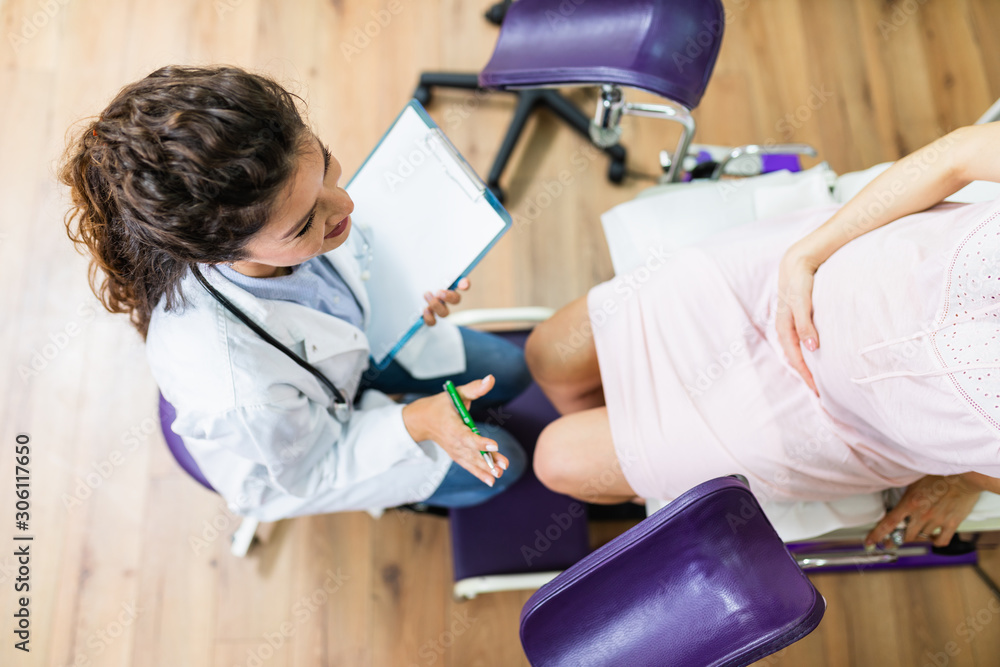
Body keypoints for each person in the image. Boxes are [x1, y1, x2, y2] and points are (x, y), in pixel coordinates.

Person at [59, 65, 530, 521]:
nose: (346, 204)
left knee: (512, 368)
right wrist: (418, 422)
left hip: (346, 359)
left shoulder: (279, 215)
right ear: (220, 254)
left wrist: (408, 287)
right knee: (506, 460)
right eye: (306, 221)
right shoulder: (235, 386)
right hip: (309, 455)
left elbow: (351, 256)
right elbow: (314, 467)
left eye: (325, 165)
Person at [525, 122, 1000, 550]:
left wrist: (964, 480)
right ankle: (628, 433)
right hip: (796, 277)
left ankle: (634, 446)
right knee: (548, 354)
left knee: (555, 458)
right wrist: (806, 255)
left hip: (828, 427)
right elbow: (958, 157)